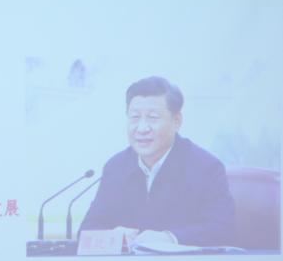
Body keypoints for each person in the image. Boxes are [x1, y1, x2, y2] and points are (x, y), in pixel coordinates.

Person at [80, 76, 235, 247]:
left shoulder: (206, 168)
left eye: (153, 118)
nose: (142, 128)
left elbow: (223, 229)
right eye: (135, 117)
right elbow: (88, 230)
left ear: (176, 121)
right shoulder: (116, 167)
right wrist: (113, 236)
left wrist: (170, 238)